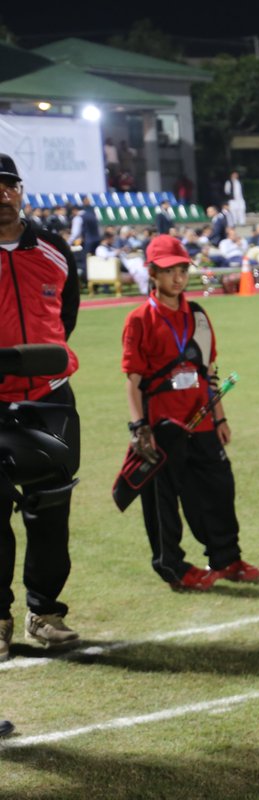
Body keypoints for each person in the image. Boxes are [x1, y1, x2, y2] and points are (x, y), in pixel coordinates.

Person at [121, 235, 259, 591]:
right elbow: (134, 379)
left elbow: (209, 372)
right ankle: (173, 567)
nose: (178, 278)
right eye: (170, 270)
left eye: (183, 269)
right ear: (152, 273)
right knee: (163, 502)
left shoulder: (197, 314)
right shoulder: (139, 319)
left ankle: (226, 558)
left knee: (218, 490)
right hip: (162, 427)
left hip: (202, 422)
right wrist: (139, 427)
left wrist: (221, 418)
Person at [0, 152, 82, 658]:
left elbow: (65, 316)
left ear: (21, 190)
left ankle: (45, 611)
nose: (2, 196)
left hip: (50, 402)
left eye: (9, 185)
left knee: (51, 509)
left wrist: (39, 364)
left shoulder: (53, 248)